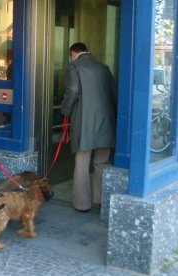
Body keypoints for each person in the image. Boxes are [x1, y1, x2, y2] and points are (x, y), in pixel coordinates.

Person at [61, 42, 117, 212]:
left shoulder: (74, 67)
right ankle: (100, 200)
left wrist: (65, 110)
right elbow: (114, 94)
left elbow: (72, 91)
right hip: (105, 122)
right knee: (102, 161)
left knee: (82, 163)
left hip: (84, 122)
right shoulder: (103, 68)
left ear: (73, 53)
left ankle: (82, 204)